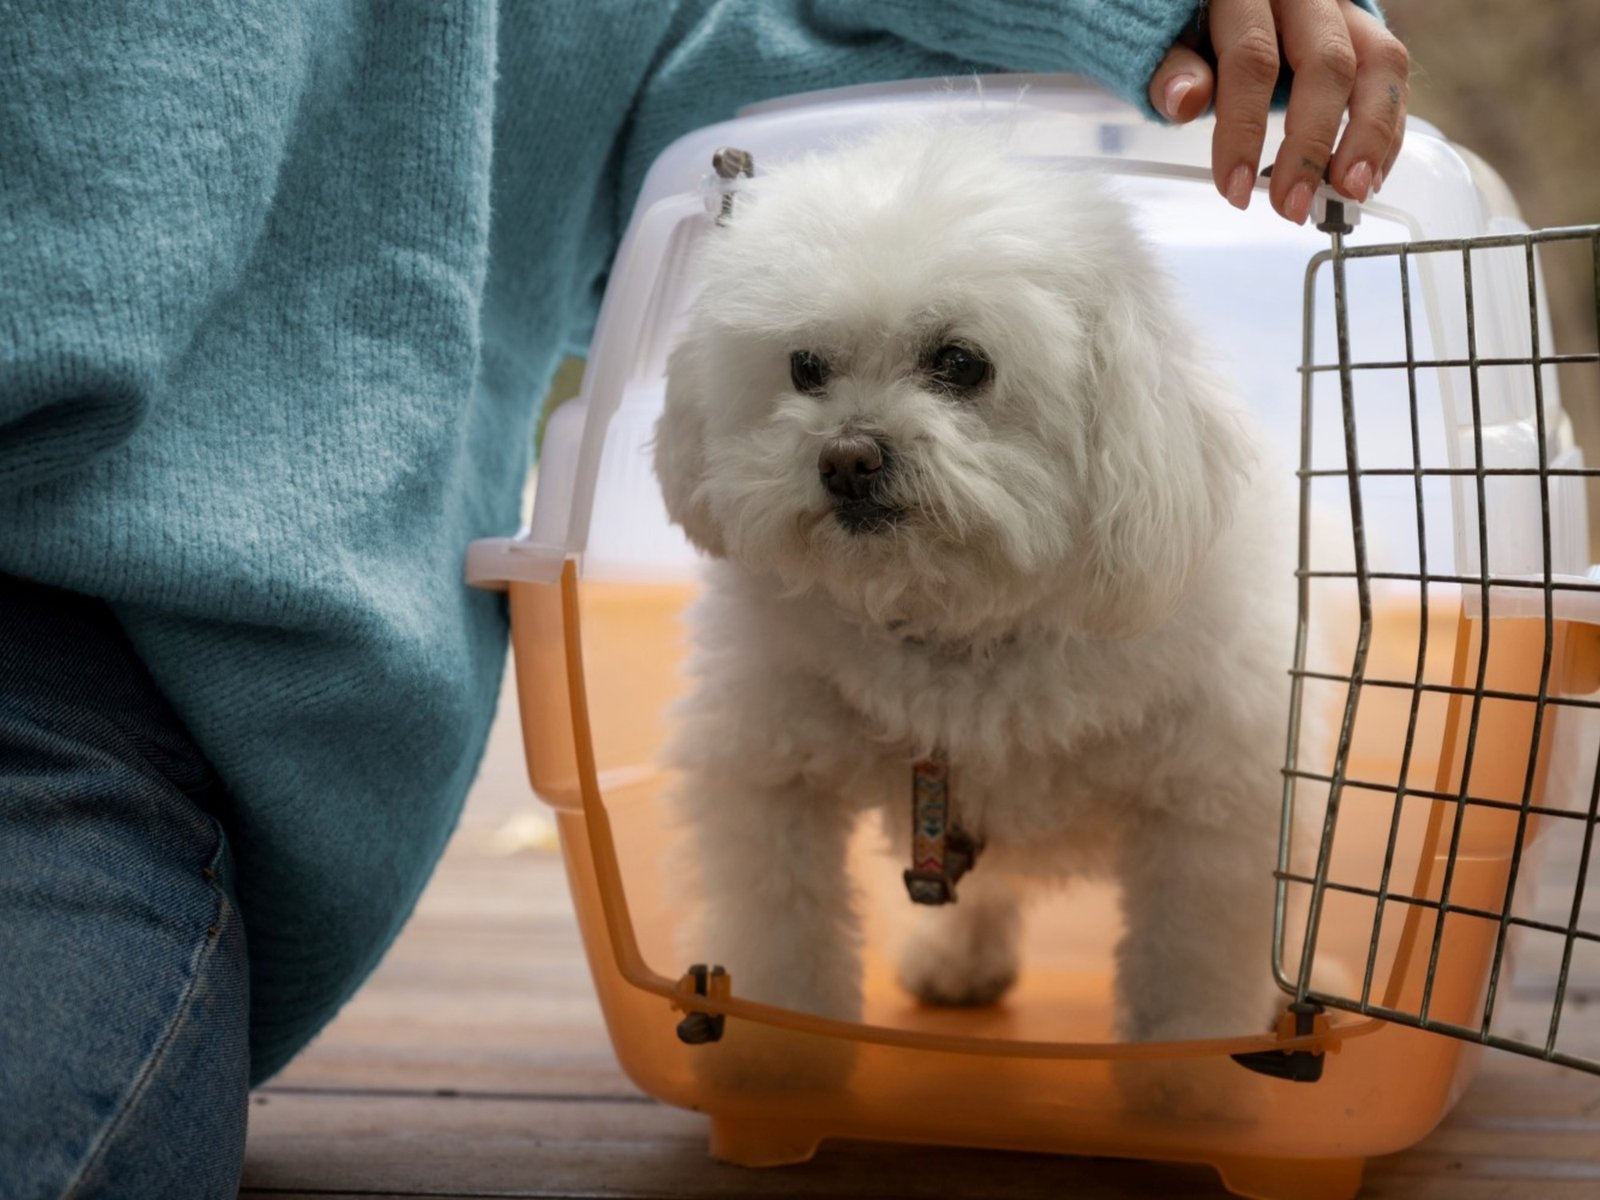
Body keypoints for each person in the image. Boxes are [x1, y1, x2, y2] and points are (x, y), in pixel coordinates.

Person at [0, 2, 1406, 1195]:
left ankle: (1069, 974)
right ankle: (908, 965)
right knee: (786, 782)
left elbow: (1223, 796)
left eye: (958, 371)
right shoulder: (782, 615)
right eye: (805, 377)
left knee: (1205, 808)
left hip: (97, 701)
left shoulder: (1195, 589)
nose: (855, 445)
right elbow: (754, 788)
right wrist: (784, 1054)